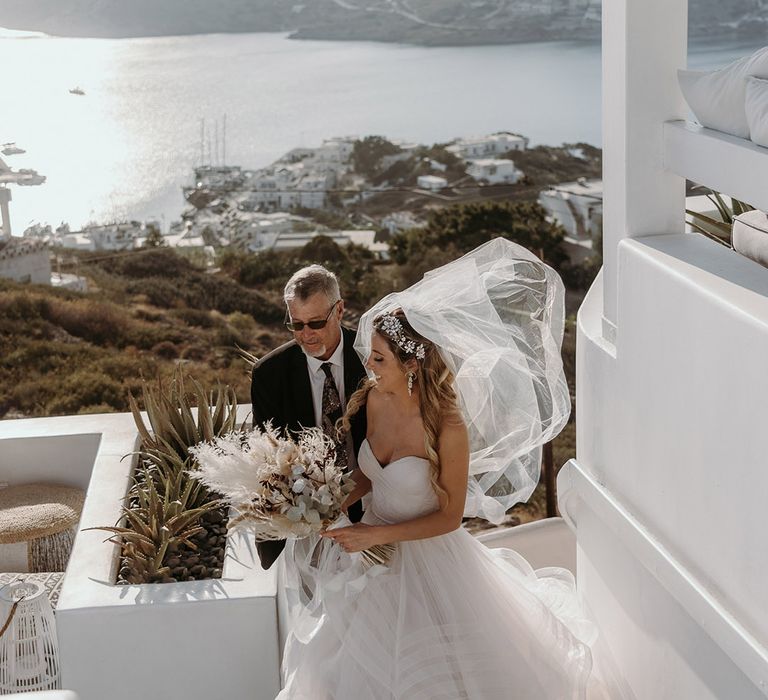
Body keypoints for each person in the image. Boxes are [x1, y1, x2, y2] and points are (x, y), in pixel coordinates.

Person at [276, 240, 600, 699]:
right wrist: (331, 503)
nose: (367, 364)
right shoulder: (373, 399)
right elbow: (371, 474)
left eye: (380, 358)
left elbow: (450, 518)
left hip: (431, 563)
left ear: (412, 364)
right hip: (368, 563)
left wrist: (375, 535)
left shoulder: (447, 426)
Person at [250, 264, 367, 569]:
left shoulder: (373, 356)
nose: (307, 335)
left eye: (315, 323)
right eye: (296, 325)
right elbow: (269, 455)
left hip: (376, 508)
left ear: (339, 310)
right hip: (309, 527)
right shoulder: (269, 375)